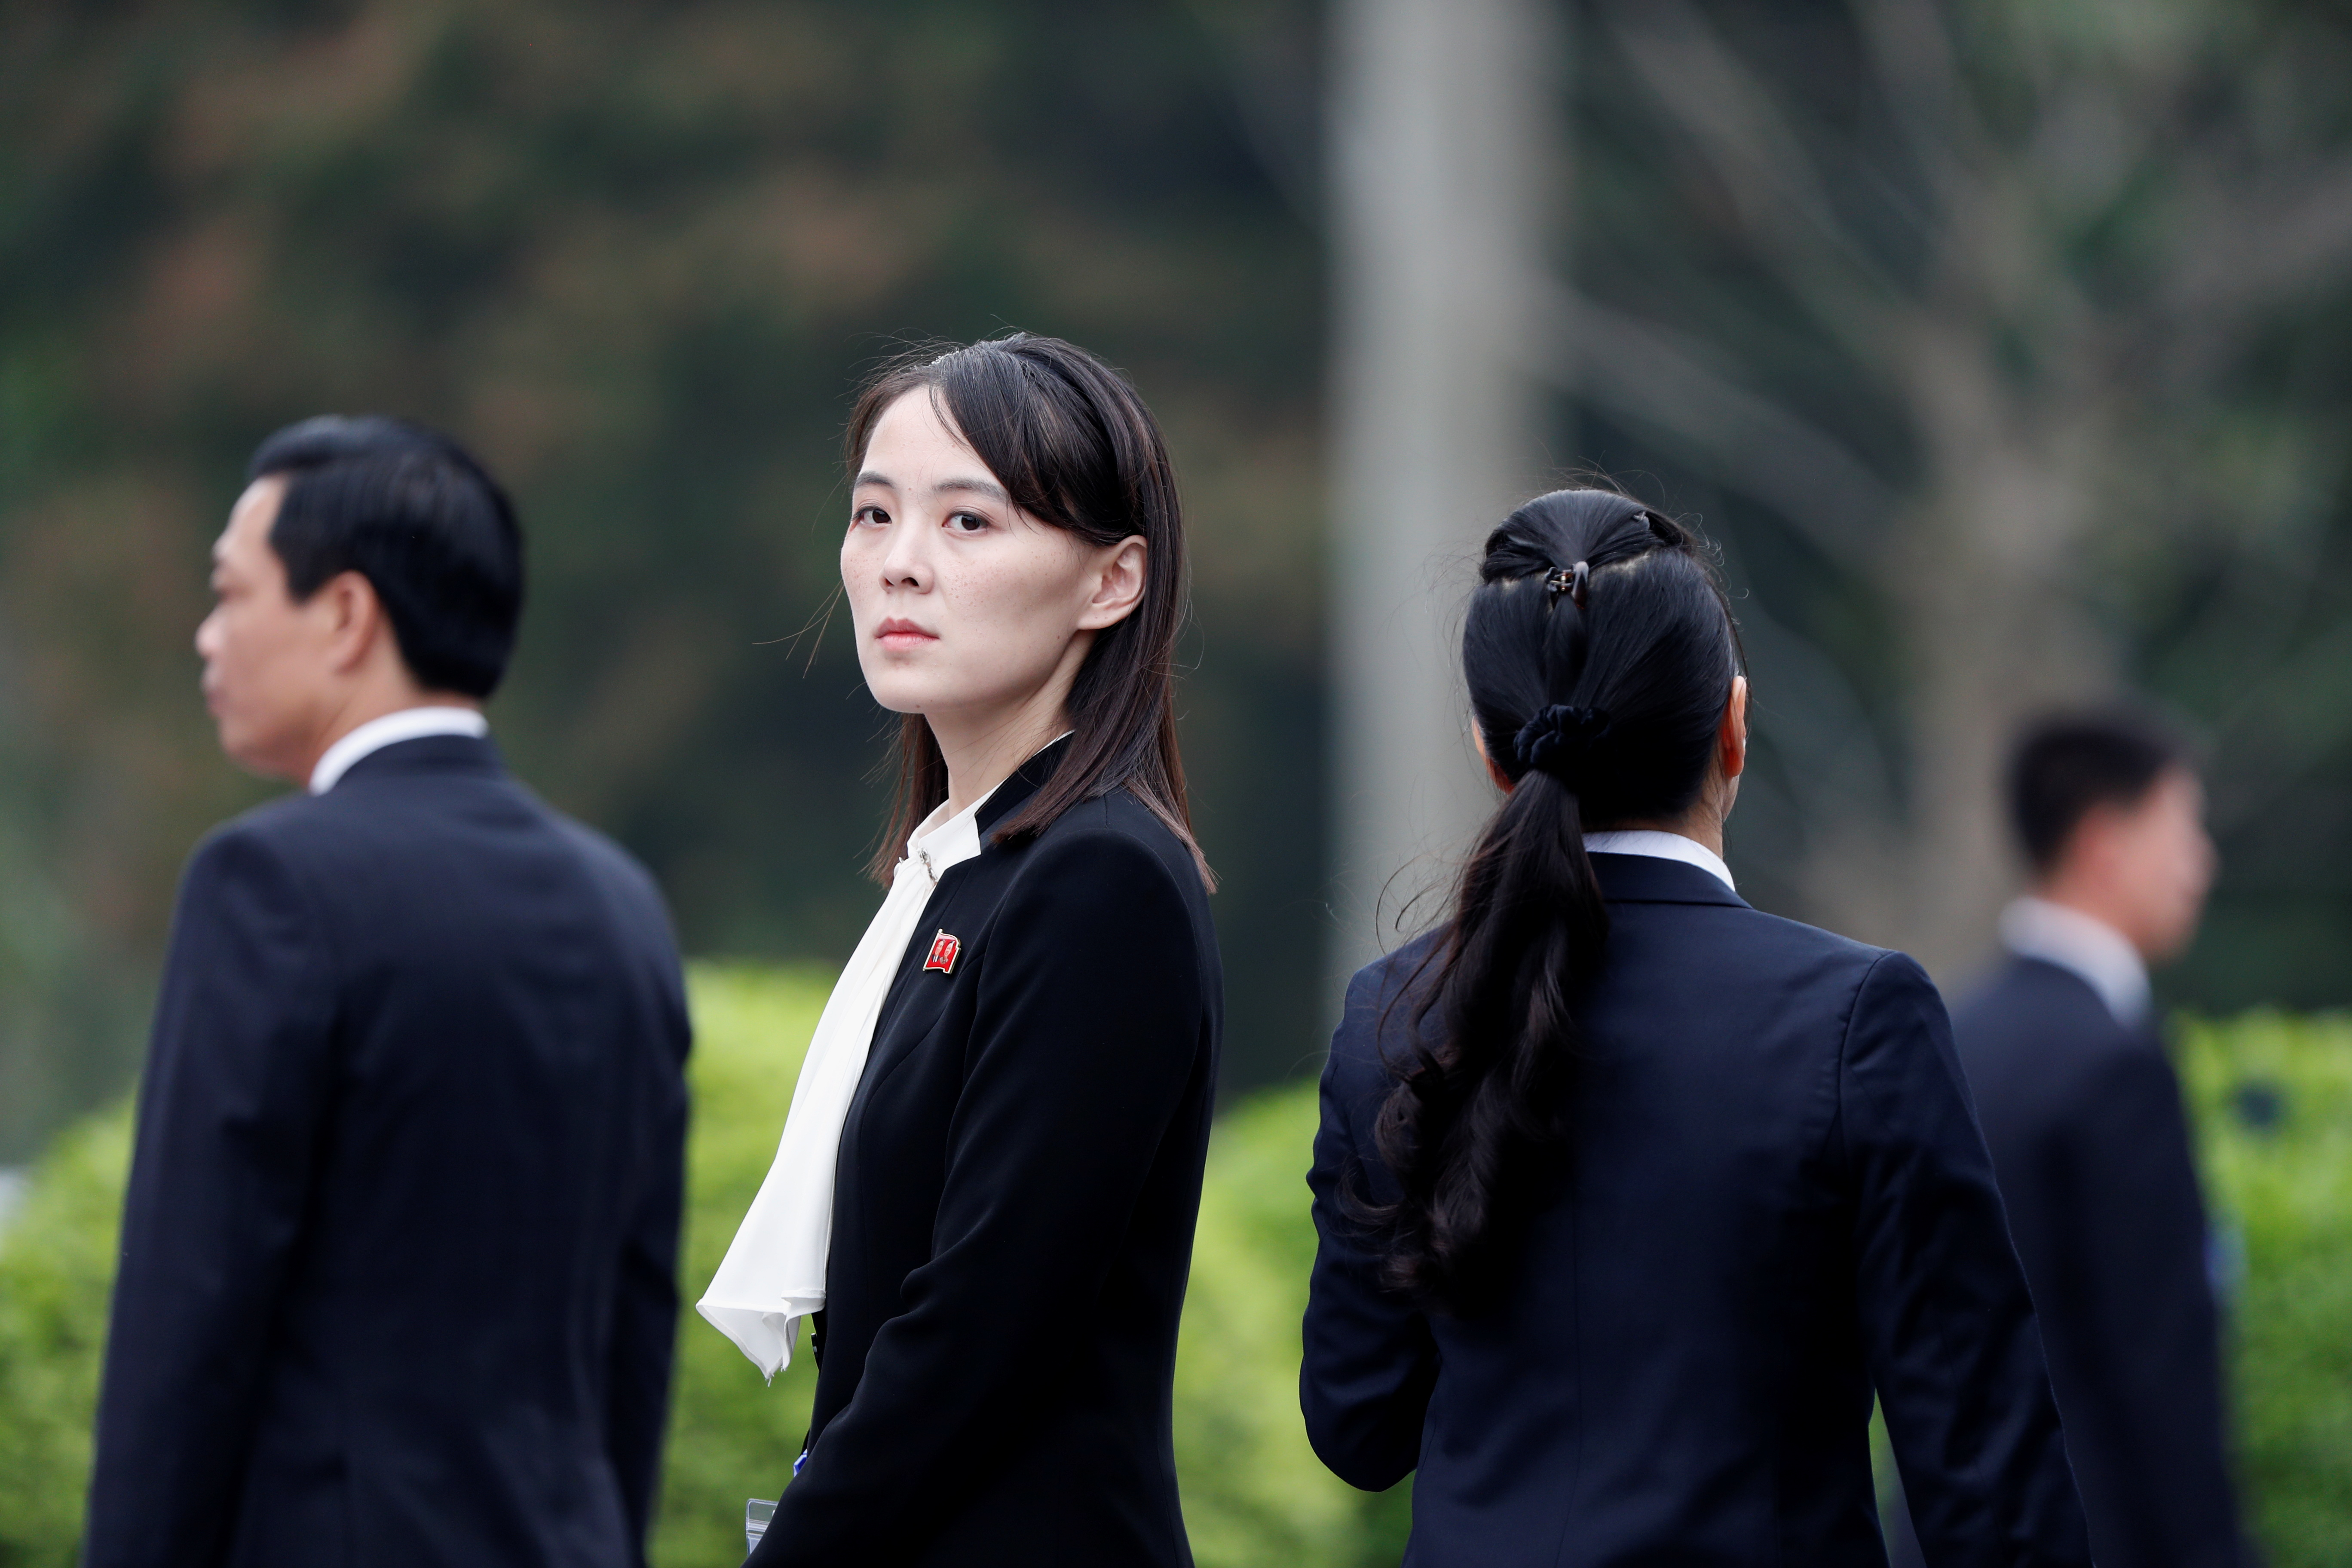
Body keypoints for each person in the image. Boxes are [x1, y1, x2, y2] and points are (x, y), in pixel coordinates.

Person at [1299, 489, 2091, 1566]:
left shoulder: (1396, 1015)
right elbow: (1987, 1474)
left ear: (1491, 750)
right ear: (1734, 723)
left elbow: (1358, 1424)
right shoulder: (1855, 1020)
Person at [84, 417, 691, 1568]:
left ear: (347, 616)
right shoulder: (623, 906)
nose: (207, 639)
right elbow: (633, 1325)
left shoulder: (268, 880)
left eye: (232, 593)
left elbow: (190, 1310)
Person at [696, 334, 1223, 1566]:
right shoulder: (963, 877)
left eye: (969, 524)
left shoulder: (1100, 881)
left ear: (1113, 582)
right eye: (873, 515)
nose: (900, 566)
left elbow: (981, 1329)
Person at [1944, 709, 2244, 1568]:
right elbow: (2159, 1372)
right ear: (2106, 844)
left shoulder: (1951, 1034)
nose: (2202, 864)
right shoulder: (2116, 1065)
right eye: (2183, 830)